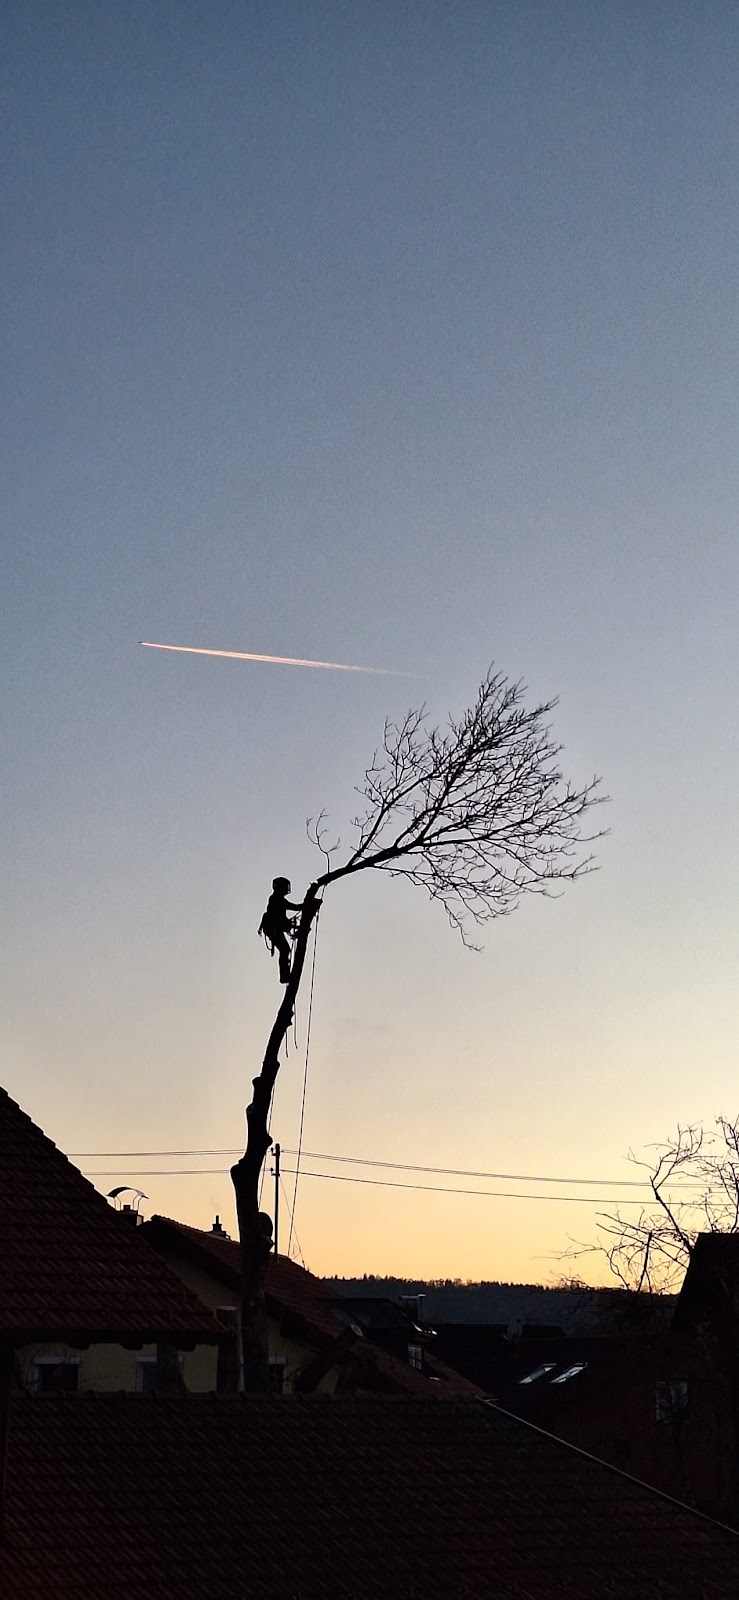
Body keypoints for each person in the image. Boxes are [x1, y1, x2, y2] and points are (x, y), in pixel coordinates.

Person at [258, 877, 304, 984]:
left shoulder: (276, 899)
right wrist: (306, 905)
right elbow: (294, 908)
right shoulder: (277, 899)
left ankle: (285, 975)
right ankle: (284, 976)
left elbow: (283, 916)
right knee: (285, 950)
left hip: (273, 929)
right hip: (273, 929)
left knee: (285, 950)